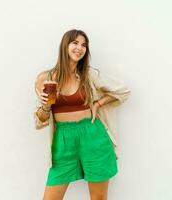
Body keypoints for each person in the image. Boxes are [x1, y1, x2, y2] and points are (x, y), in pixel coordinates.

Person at [34, 29, 130, 200]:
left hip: (92, 136)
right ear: (65, 45)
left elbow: (123, 90)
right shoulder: (46, 78)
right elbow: (40, 120)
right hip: (63, 141)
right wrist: (45, 106)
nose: (80, 48)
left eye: (84, 45)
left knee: (98, 198)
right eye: (75, 43)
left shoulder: (87, 74)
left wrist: (97, 104)